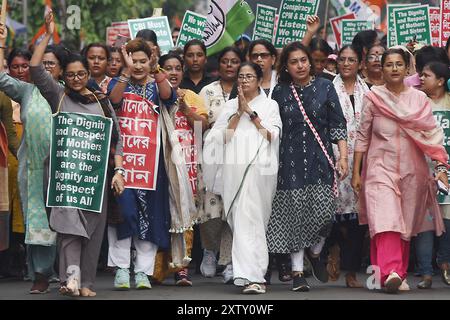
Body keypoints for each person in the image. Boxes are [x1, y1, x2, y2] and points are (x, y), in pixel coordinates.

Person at [29, 11, 125, 297]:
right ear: (63, 76)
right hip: (64, 177)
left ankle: (85, 283)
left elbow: (115, 140)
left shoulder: (101, 102)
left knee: (92, 233)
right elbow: (35, 68)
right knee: (70, 228)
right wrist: (48, 34)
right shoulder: (57, 95)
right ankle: (70, 279)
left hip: (95, 178)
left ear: (88, 74)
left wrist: (119, 171)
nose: (75, 79)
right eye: (69, 75)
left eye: (80, 74)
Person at [352, 48, 448, 294]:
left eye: (398, 64)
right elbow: (362, 137)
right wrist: (355, 172)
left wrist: (440, 166)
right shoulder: (373, 98)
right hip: (378, 168)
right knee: (386, 218)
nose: (394, 68)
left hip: (411, 170)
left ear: (408, 69)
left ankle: (389, 275)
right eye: (388, 64)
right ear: (381, 69)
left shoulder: (419, 100)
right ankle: (392, 270)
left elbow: (431, 135)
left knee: (402, 225)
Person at [108, 38, 196, 290]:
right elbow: (113, 102)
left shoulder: (157, 84)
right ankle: (122, 269)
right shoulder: (120, 82)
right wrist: (125, 71)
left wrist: (157, 69)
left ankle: (143, 272)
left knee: (151, 215)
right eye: (133, 61)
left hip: (152, 164)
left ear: (150, 62)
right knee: (123, 214)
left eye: (142, 61)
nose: (137, 66)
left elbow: (168, 97)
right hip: (122, 161)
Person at [266, 42, 348, 292]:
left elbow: (338, 125)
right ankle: (298, 272)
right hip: (288, 165)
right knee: (294, 217)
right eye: (293, 62)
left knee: (325, 213)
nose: (300, 65)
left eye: (303, 60)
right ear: (286, 67)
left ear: (310, 62)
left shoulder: (325, 87)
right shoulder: (279, 92)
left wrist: (342, 157)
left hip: (320, 161)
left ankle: (315, 250)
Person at [0, 23, 67, 293]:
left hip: (64, 170)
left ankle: (67, 273)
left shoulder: (68, 92)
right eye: (44, 63)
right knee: (37, 221)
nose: (47, 67)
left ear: (62, 69)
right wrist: (1, 44)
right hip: (34, 169)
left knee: (65, 222)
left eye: (52, 63)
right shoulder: (27, 92)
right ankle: (41, 274)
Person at [204, 62, 281, 294]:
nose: (244, 80)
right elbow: (220, 139)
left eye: (249, 76)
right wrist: (238, 112)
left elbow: (271, 136)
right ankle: (249, 275)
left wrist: (251, 112)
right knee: (240, 222)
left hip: (260, 173)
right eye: (241, 77)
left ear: (259, 80)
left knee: (254, 222)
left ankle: (255, 276)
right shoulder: (229, 106)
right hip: (234, 172)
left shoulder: (270, 105)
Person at [152, 52, 208, 286]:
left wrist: (186, 108)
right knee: (160, 213)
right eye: (168, 68)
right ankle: (156, 268)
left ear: (183, 72)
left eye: (177, 68)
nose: (173, 72)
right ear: (160, 72)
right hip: (158, 164)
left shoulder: (192, 96)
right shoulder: (152, 94)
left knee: (184, 214)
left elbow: (203, 126)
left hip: (186, 165)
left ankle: (181, 268)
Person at [197, 47, 243, 283]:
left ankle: (228, 262)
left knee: (232, 210)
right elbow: (199, 124)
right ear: (219, 65)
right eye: (225, 61)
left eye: (234, 61)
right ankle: (209, 252)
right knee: (211, 210)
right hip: (212, 156)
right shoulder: (208, 90)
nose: (229, 65)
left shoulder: (247, 90)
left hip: (238, 158)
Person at [328, 45, 369, 288]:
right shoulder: (327, 88)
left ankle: (351, 272)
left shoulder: (370, 91)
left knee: (357, 220)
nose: (345, 64)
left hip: (363, 159)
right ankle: (332, 251)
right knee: (333, 216)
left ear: (360, 63)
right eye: (342, 59)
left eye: (351, 60)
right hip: (334, 157)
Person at [415, 61, 450, 288]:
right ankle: (426, 272)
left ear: (440, 80)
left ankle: (445, 264)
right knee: (424, 224)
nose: (420, 79)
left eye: (426, 76)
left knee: (448, 221)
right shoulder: (417, 101)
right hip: (423, 169)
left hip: (447, 170)